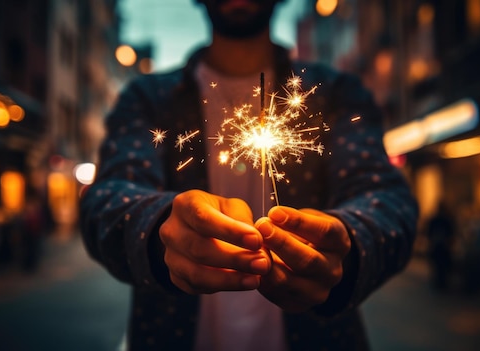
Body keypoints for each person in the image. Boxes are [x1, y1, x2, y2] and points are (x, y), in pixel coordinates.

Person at [80, 0, 418, 350]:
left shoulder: (336, 94)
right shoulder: (147, 98)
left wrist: (346, 242)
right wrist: (159, 228)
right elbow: (107, 199)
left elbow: (387, 200)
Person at [426, 202, 455, 291]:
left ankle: (440, 282)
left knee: (438, 265)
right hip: (442, 246)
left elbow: (428, 232)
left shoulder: (436, 219)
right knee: (442, 265)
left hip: (438, 246)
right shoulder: (446, 219)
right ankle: (441, 282)